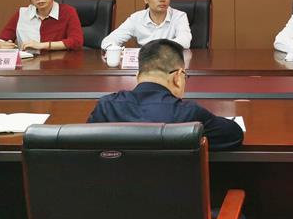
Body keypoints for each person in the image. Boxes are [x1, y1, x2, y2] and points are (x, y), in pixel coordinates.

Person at [88, 39, 243, 150]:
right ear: (177, 76)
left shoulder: (106, 106)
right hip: (176, 188)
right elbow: (234, 135)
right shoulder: (189, 113)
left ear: (137, 76)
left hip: (118, 188)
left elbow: (85, 147)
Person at [100, 0, 192, 49]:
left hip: (171, 63)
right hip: (144, 64)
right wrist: (117, 51)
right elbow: (107, 42)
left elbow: (185, 41)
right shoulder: (136, 19)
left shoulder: (179, 16)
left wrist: (155, 48)